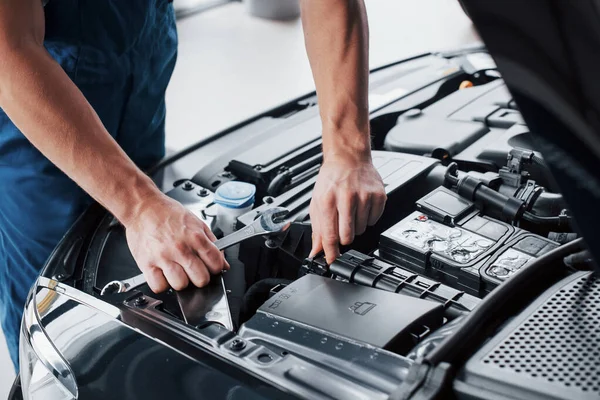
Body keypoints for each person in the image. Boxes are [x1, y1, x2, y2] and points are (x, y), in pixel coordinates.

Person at [0, 0, 386, 369]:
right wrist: (140, 205)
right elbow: (9, 49)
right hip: (40, 113)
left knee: (146, 262)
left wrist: (348, 151)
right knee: (58, 304)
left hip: (141, 58)